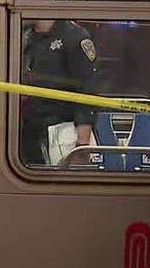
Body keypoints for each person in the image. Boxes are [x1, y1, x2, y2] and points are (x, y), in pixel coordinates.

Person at [18, 19, 98, 166]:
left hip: (62, 132)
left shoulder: (74, 36)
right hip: (27, 130)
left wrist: (82, 146)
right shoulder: (23, 35)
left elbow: (87, 89)